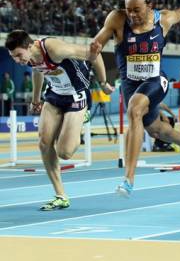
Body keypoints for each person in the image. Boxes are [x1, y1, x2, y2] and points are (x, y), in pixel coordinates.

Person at [92, 0, 180, 197]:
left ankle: (129, 179)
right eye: (128, 10)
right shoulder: (117, 20)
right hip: (130, 84)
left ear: (150, 7)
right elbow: (94, 47)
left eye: (137, 10)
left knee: (135, 110)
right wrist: (101, 80)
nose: (132, 15)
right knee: (155, 130)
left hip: (156, 80)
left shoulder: (163, 19)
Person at [5, 30, 114, 210]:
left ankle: (81, 116)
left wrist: (102, 83)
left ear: (29, 46)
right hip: (55, 95)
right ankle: (60, 195)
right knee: (44, 143)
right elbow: (37, 71)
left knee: (64, 152)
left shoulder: (55, 49)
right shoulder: (30, 57)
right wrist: (36, 99)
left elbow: (95, 53)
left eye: (18, 55)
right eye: (13, 57)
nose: (17, 60)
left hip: (76, 95)